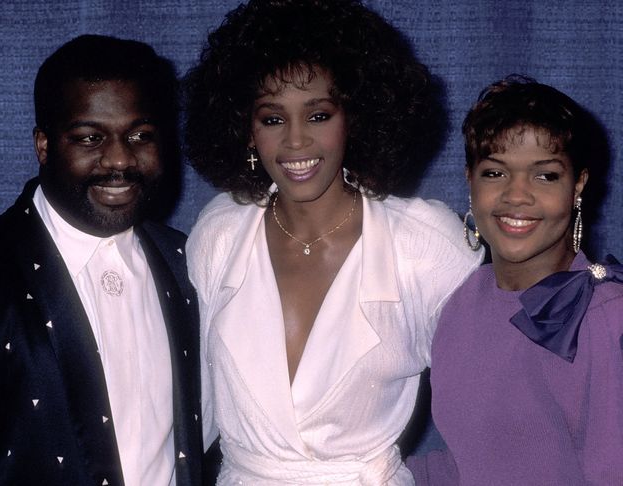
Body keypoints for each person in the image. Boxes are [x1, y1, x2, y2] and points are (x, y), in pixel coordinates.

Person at [183, 1, 482, 483]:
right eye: (273, 119)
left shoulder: (426, 245)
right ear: (246, 128)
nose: (296, 142)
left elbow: (499, 410)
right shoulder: (220, 232)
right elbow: (195, 409)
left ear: (356, 117)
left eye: (318, 115)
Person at [0, 35, 204, 485]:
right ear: (43, 145)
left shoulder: (189, 262)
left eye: (140, 135)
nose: (120, 158)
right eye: (90, 138)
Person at [411, 76, 623, 485]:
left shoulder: (605, 317)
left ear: (578, 184)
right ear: (469, 179)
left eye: (545, 176)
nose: (517, 196)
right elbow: (466, 466)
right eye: (495, 173)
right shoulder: (462, 301)